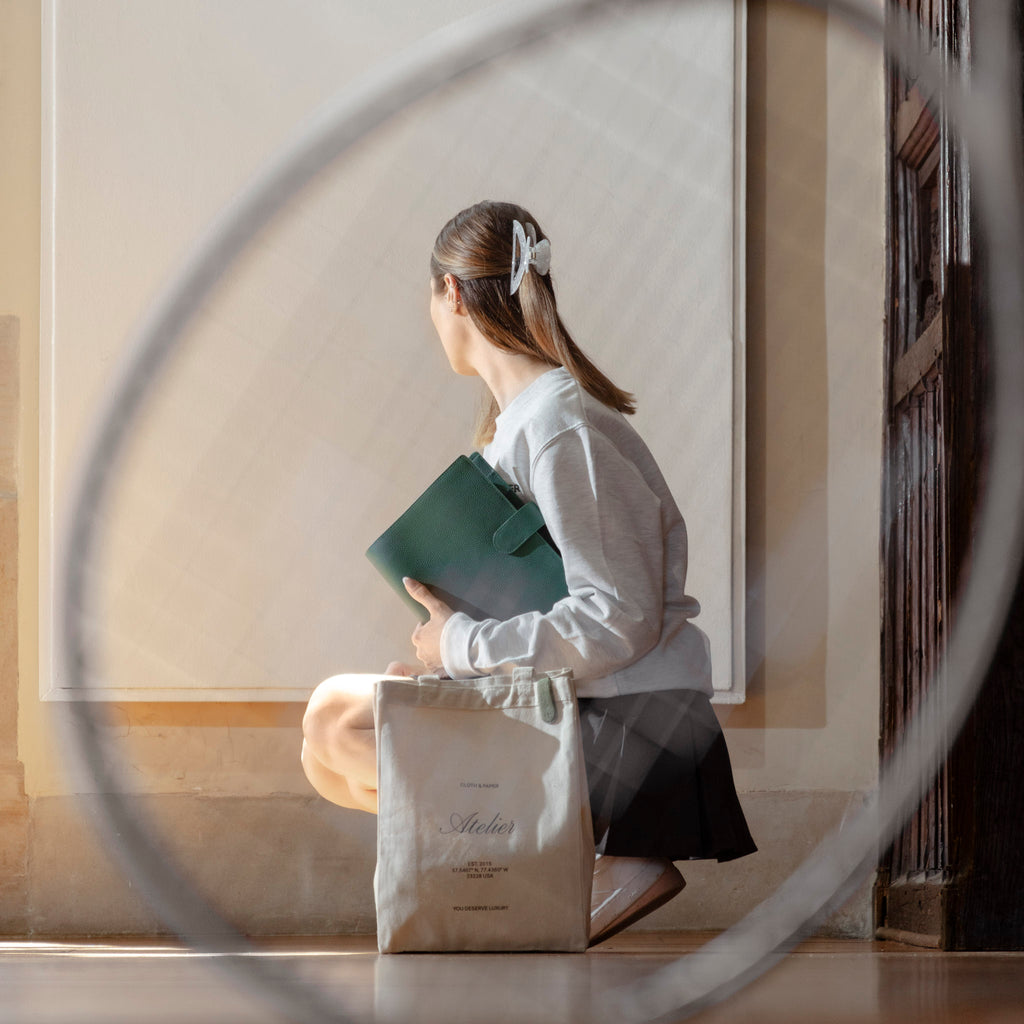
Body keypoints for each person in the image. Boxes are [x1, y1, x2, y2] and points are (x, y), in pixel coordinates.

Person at [301, 200, 756, 945]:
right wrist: (460, 673)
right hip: (584, 705)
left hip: (630, 727)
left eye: (431, 299)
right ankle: (550, 865)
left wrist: (461, 649)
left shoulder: (560, 424)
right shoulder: (523, 421)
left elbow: (620, 616)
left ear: (451, 294)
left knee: (338, 717)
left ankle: (580, 859)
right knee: (328, 750)